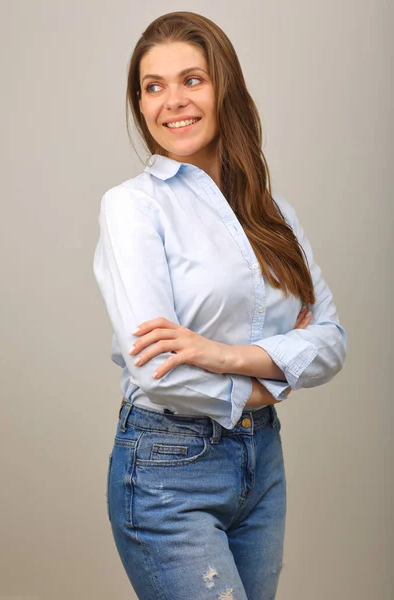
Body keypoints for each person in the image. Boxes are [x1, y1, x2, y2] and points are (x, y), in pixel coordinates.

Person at [92, 11, 347, 600]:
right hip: (168, 465)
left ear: (224, 87)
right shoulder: (133, 208)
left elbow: (331, 341)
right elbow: (158, 367)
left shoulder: (271, 212)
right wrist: (274, 378)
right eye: (152, 86)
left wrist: (226, 356)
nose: (171, 102)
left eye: (192, 80)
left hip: (263, 463)